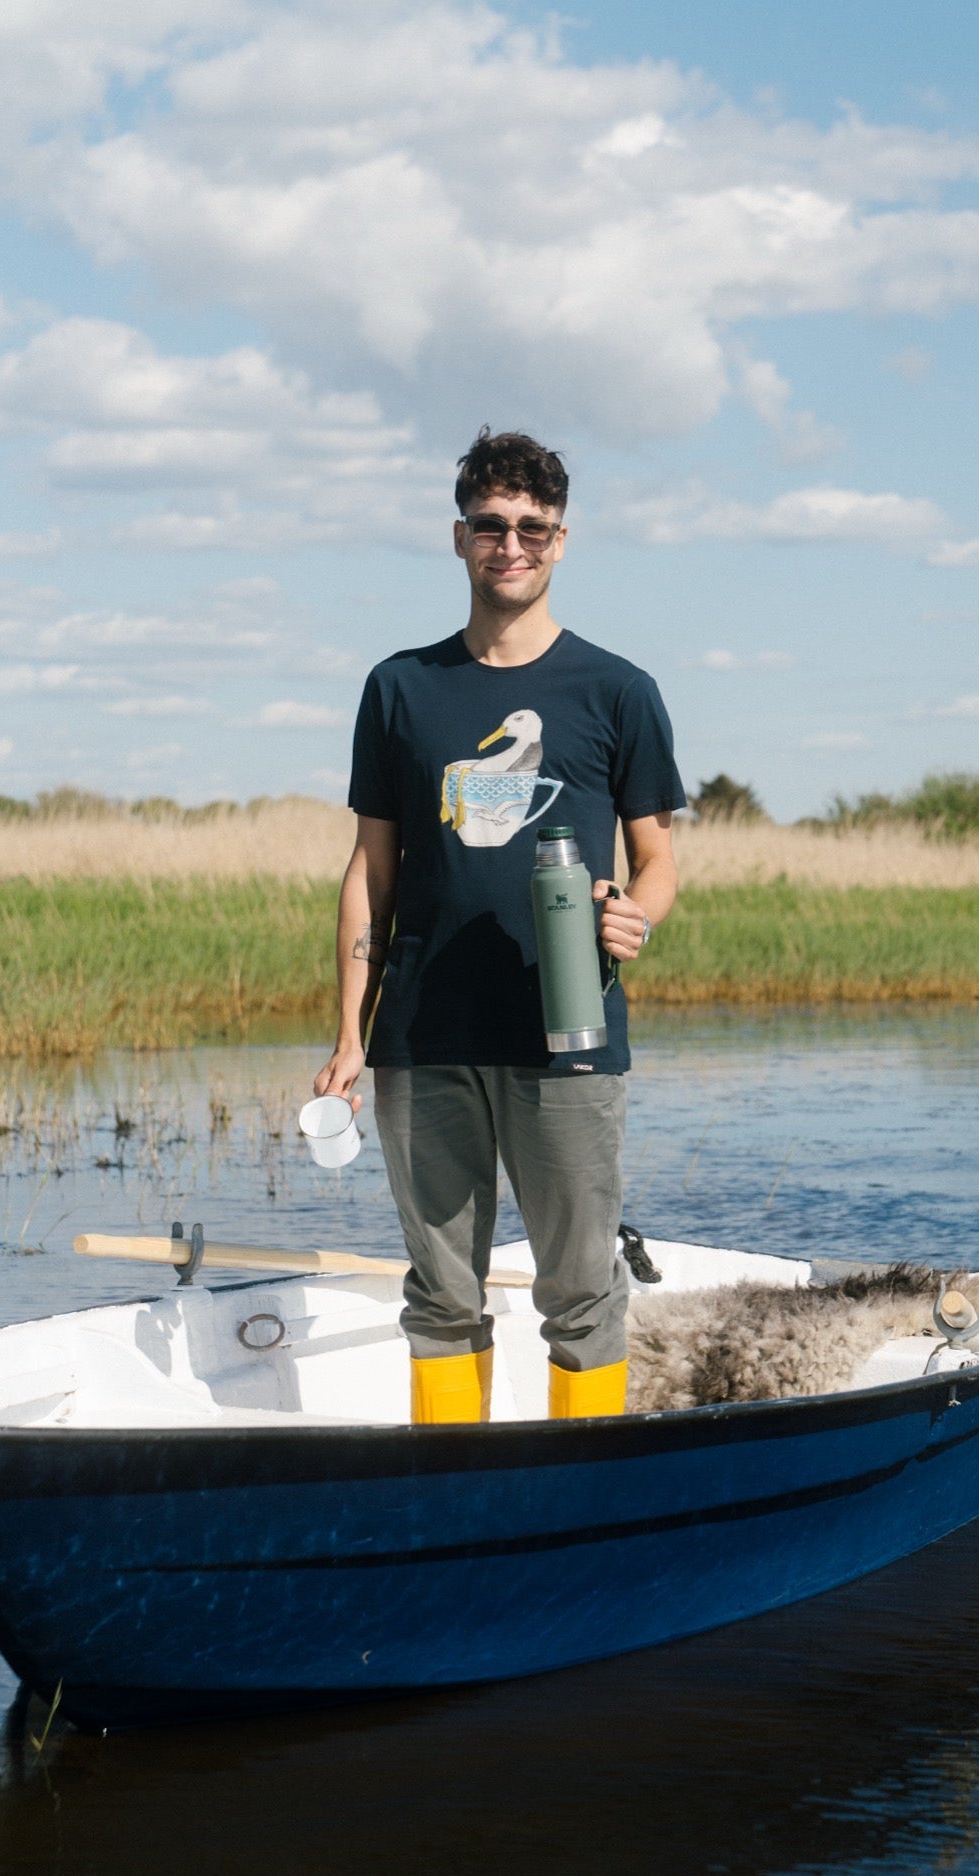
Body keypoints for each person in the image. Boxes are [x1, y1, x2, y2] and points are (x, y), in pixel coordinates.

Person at [313, 428, 683, 1423]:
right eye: (491, 525)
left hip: (568, 1034)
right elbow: (371, 869)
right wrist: (351, 1031)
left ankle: (586, 1499)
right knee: (440, 1297)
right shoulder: (399, 688)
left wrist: (634, 918)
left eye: (531, 527)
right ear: (460, 536)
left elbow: (657, 860)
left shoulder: (617, 691)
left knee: (581, 1293)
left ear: (560, 540)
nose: (510, 543)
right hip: (423, 1036)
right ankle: (451, 1490)